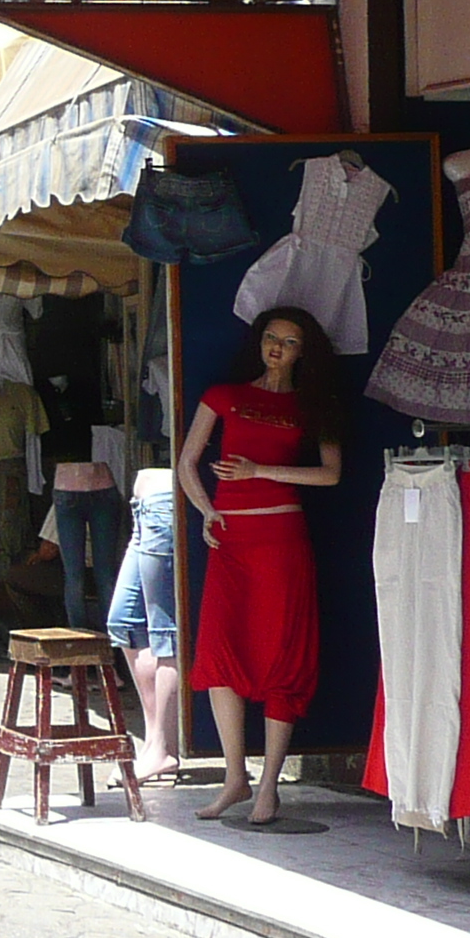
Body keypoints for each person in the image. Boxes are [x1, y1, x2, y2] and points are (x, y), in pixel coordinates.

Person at [179, 307, 345, 825]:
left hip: (280, 538)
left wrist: (260, 470)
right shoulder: (224, 395)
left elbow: (331, 474)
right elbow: (186, 463)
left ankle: (270, 783)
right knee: (220, 650)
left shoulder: (312, 405)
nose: (276, 348)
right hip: (231, 539)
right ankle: (235, 777)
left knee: (280, 654)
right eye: (271, 338)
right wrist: (207, 510)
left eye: (289, 341)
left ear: (304, 351)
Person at [107, 466, 184, 782]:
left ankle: (161, 748)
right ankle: (156, 742)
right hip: (145, 507)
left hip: (164, 504)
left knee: (164, 631)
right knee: (124, 621)